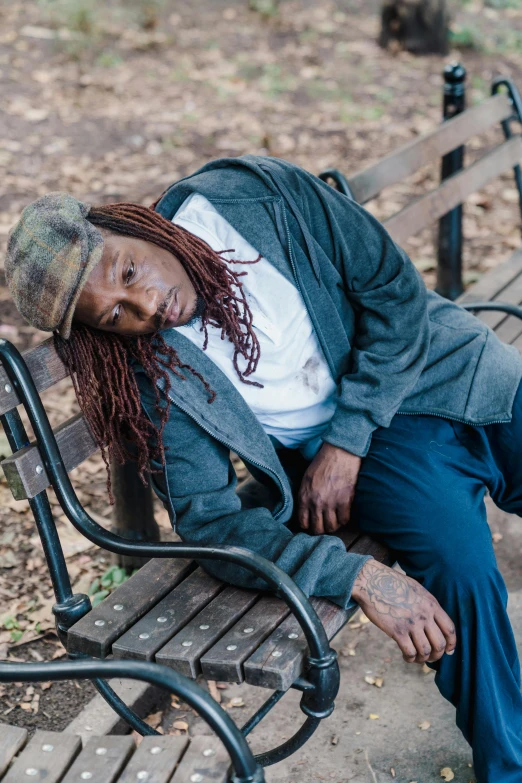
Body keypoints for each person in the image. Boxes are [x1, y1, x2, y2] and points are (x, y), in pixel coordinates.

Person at [5, 155, 522, 781]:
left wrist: (346, 441)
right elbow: (212, 522)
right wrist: (351, 573)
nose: (147, 306)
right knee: (462, 575)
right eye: (115, 316)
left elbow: (394, 292)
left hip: (444, 368)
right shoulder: (154, 370)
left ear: (128, 224)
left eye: (128, 270)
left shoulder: (255, 195)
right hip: (396, 462)